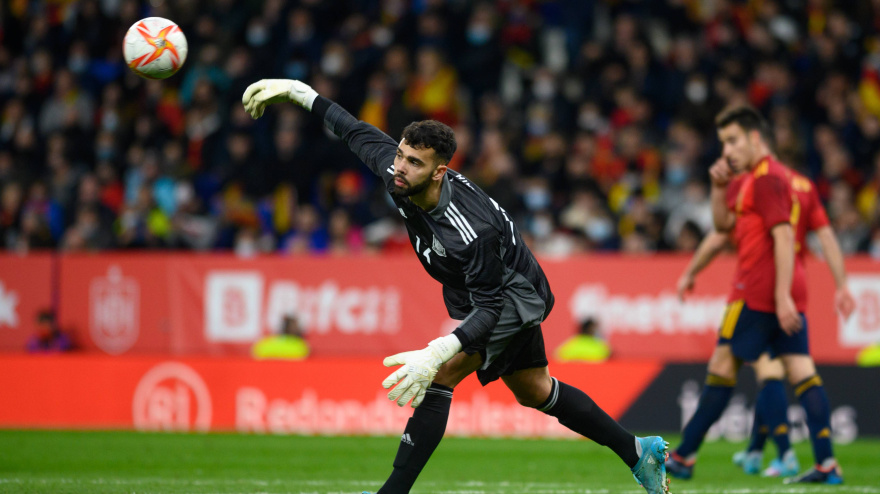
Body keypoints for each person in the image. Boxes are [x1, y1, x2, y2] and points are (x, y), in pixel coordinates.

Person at [242, 79, 670, 494]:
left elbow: (489, 308)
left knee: (440, 375)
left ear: (439, 172)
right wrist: (301, 93)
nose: (400, 168)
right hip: (481, 290)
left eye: (413, 162)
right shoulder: (399, 171)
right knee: (535, 390)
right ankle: (637, 451)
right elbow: (354, 131)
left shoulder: (470, 231)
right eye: (402, 156)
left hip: (513, 295)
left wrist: (438, 350)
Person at [665, 106, 854, 484]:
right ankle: (825, 462)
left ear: (756, 138)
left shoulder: (765, 181)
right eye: (723, 143)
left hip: (757, 289)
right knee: (797, 368)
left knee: (728, 367)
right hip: (789, 282)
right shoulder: (785, 182)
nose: (727, 151)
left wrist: (779, 294)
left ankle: (688, 455)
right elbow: (724, 225)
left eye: (732, 141)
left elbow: (776, 235)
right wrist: (841, 283)